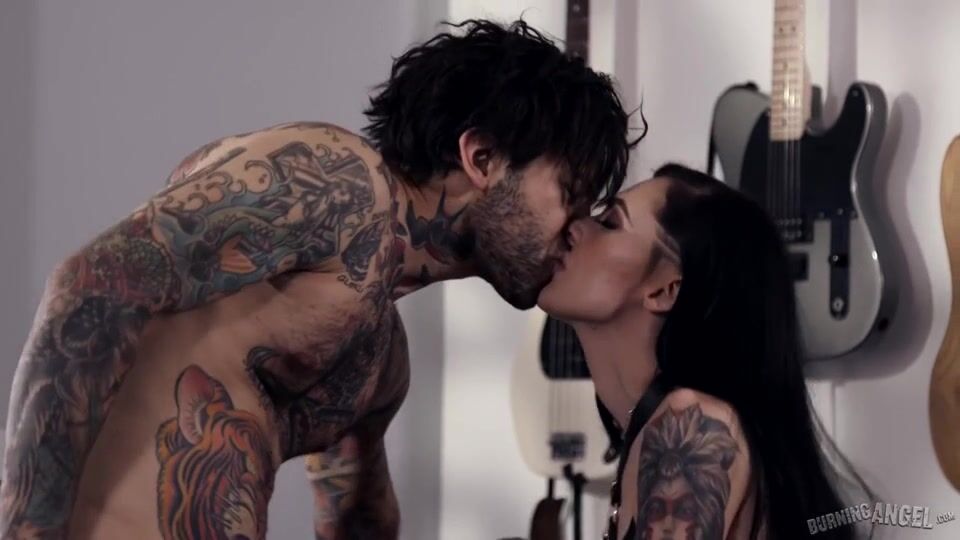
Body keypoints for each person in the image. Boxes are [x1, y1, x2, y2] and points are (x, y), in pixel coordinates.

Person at [0, 19, 640, 539]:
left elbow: (356, 520)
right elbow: (92, 285)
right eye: (571, 194)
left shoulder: (380, 357)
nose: (577, 228)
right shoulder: (340, 182)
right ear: (482, 157)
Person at [537, 163, 872, 539]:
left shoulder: (689, 427)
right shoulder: (656, 428)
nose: (575, 226)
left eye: (610, 223)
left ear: (666, 289)